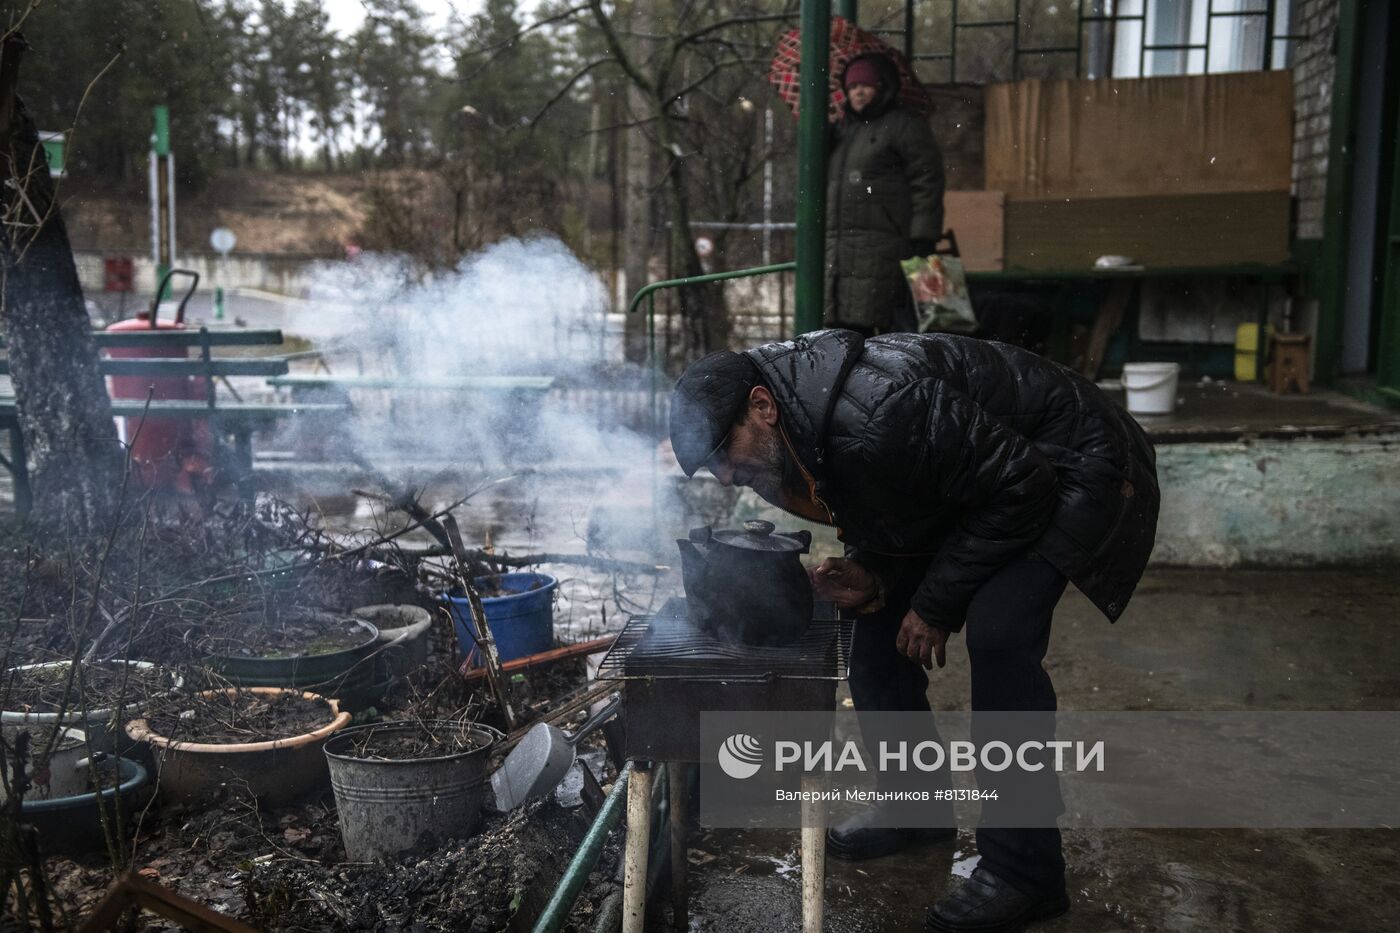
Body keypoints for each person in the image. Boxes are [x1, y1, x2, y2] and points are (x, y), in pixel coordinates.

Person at [669, 329, 1159, 933]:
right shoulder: (807, 420)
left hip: (1074, 465)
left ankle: (1025, 871)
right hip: (987, 483)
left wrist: (934, 605)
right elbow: (893, 495)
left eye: (723, 451)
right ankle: (918, 805)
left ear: (762, 406)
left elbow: (1019, 486)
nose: (723, 477)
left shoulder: (880, 410)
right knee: (872, 630)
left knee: (999, 635)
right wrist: (873, 576)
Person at [826, 52, 945, 335]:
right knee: (843, 329)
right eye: (852, 86)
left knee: (882, 328)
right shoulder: (842, 132)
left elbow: (927, 178)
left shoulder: (904, 125)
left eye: (865, 85)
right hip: (841, 247)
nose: (858, 92)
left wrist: (923, 235)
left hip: (886, 244)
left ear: (883, 86)